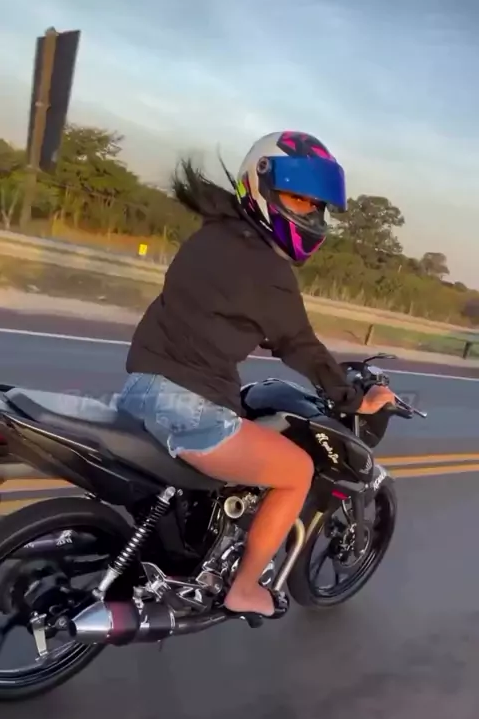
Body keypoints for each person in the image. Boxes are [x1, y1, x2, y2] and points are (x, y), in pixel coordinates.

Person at [117, 130, 395, 620]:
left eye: (316, 205)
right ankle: (244, 588)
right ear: (261, 185)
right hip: (188, 404)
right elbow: (299, 344)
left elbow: (219, 313)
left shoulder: (212, 235)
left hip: (140, 387)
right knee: (296, 471)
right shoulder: (267, 269)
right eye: (297, 199)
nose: (309, 214)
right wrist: (354, 399)